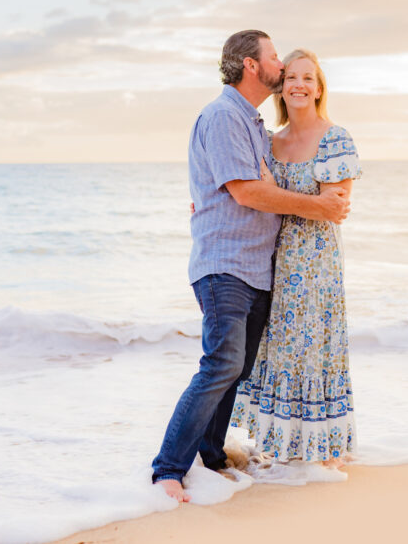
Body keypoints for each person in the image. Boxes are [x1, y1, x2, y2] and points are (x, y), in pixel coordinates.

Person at [151, 31, 350, 502]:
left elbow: (255, 187)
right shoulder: (223, 116)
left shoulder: (254, 125)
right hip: (226, 266)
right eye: (275, 57)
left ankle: (212, 458)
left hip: (257, 268)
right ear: (250, 65)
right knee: (221, 364)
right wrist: (317, 205)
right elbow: (247, 191)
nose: (281, 65)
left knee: (236, 369)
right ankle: (167, 471)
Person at [230, 48, 361, 468]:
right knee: (279, 351)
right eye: (291, 79)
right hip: (271, 261)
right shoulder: (269, 142)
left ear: (319, 88)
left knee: (313, 349)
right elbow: (249, 195)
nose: (299, 85)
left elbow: (335, 207)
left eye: (308, 78)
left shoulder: (335, 138)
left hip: (317, 265)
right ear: (281, 89)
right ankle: (280, 446)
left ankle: (322, 451)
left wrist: (276, 196)